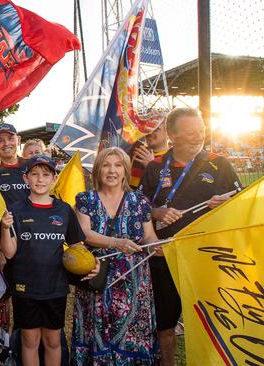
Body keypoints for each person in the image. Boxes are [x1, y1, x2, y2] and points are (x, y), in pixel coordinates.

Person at [139, 108, 241, 366]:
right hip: (164, 257)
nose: (199, 136)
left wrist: (226, 205)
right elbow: (137, 209)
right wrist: (157, 212)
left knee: (213, 318)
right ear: (172, 136)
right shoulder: (154, 167)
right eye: (190, 132)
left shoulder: (220, 164)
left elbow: (242, 205)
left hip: (207, 256)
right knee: (165, 322)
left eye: (202, 129)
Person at [0, 154, 96, 366]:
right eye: (34, 174)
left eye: (46, 174)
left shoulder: (64, 210)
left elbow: (76, 247)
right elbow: (9, 253)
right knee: (29, 340)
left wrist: (92, 264)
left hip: (55, 287)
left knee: (53, 341)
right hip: (25, 287)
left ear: (54, 178)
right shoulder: (15, 210)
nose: (40, 179)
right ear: (26, 178)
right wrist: (5, 229)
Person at [72, 147, 158, 365]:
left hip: (133, 282)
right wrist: (116, 243)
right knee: (97, 334)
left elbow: (148, 237)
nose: (112, 171)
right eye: (106, 165)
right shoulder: (86, 199)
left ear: (126, 171)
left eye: (118, 165)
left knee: (131, 335)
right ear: (97, 171)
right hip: (97, 278)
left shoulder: (140, 202)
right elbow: (85, 233)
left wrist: (158, 247)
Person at [0, 123, 29, 357]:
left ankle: (23, 343)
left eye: (10, 138)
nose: (6, 143)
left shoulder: (31, 167)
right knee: (3, 298)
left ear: (18, 139)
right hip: (4, 244)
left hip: (29, 244)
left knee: (25, 299)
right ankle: (5, 346)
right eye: (1, 140)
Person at [129, 122, 170, 189]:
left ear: (168, 133)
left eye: (156, 129)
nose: (150, 132)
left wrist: (152, 166)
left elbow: (166, 189)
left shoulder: (173, 158)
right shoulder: (135, 148)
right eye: (148, 129)